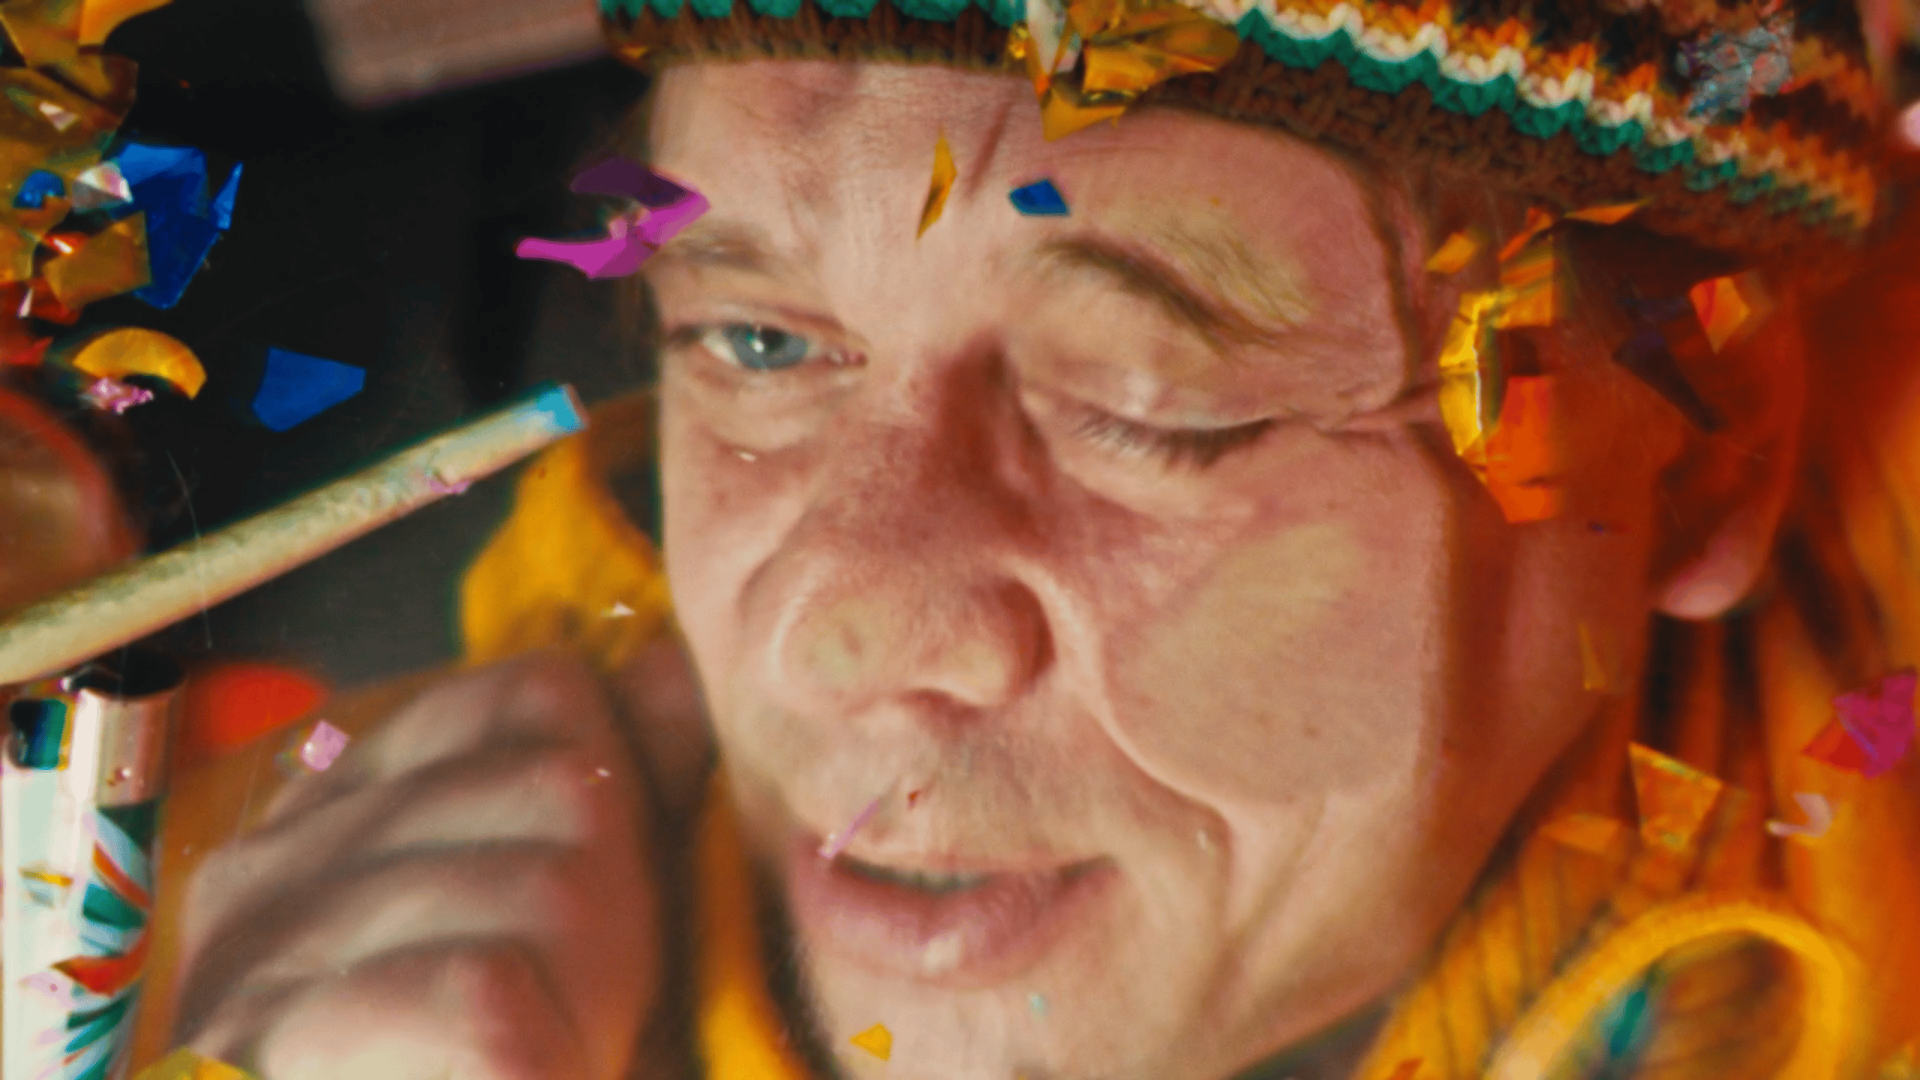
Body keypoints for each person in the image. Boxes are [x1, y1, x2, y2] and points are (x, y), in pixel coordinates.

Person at [159, 0, 1920, 1077]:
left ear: (1695, 457)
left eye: (1153, 406)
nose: (832, 636)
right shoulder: (378, 967)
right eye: (757, 344)